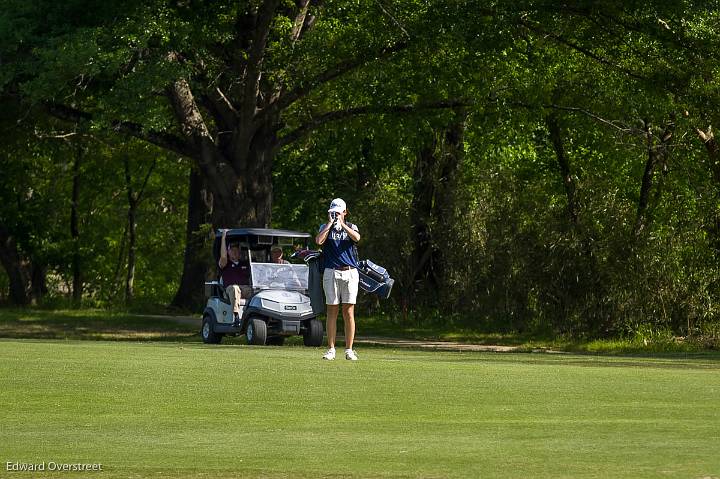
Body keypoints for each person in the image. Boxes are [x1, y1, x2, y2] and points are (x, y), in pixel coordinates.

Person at [315, 198, 361, 361]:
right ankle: (331, 349)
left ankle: (349, 349)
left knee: (348, 311)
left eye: (338, 212)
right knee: (332, 310)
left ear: (345, 212)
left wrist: (343, 224)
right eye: (333, 212)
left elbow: (356, 238)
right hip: (331, 272)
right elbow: (319, 241)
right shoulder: (324, 227)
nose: (335, 215)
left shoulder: (351, 227)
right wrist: (329, 224)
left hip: (350, 273)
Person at [218, 229, 252, 324]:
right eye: (232, 250)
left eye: (237, 250)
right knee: (235, 288)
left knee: (258, 292)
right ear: (228, 252)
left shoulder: (245, 264)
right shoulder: (225, 264)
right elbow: (223, 257)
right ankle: (236, 315)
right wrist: (224, 237)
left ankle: (256, 315)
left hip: (244, 289)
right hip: (229, 290)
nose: (235, 252)